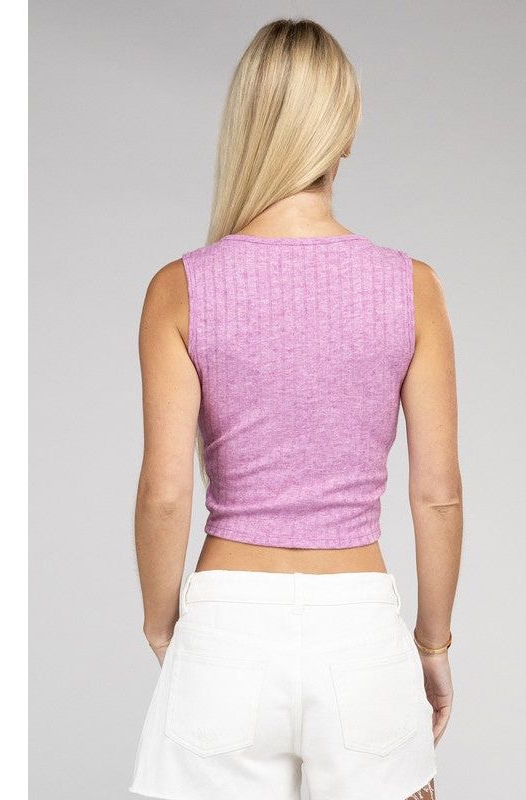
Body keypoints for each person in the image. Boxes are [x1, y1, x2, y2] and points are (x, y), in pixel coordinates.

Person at [130, 18, 462, 800]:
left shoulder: (179, 288)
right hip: (360, 628)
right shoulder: (412, 288)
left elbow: (166, 494)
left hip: (226, 621)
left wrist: (162, 625)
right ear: (345, 130)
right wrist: (433, 643)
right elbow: (438, 495)